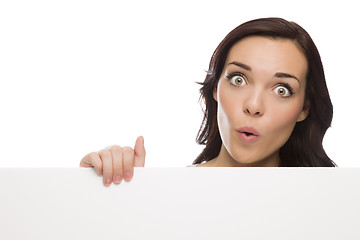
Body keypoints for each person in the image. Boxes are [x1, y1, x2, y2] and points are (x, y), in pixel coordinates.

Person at [80, 17, 337, 186]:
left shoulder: (336, 203)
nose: (254, 106)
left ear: (304, 108)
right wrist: (108, 198)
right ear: (215, 88)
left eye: (281, 90)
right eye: (238, 79)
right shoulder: (168, 193)